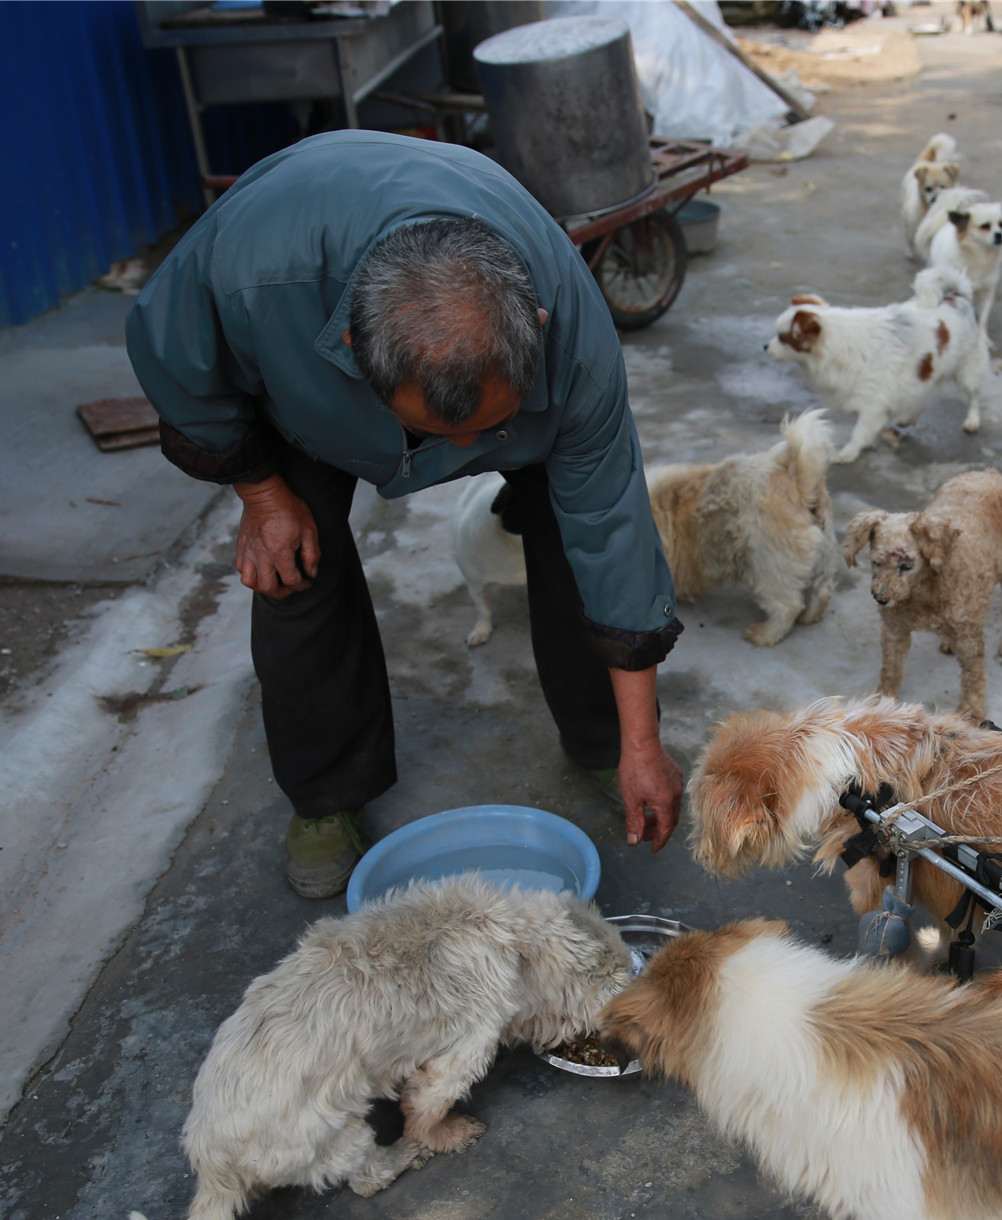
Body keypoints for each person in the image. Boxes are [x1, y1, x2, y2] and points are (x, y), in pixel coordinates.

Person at [127, 131, 686, 897]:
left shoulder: (574, 336)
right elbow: (176, 370)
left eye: (482, 431)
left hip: (492, 380)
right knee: (292, 566)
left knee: (571, 526)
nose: (457, 458)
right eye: (436, 434)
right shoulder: (251, 271)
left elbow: (613, 532)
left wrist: (644, 742)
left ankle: (601, 743)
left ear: (541, 327)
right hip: (307, 397)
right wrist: (262, 494)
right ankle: (327, 797)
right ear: (356, 348)